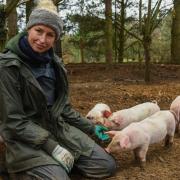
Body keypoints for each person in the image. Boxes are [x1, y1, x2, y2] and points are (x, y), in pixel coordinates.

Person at [0, 0, 117, 179]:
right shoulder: (7, 66)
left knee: (106, 166)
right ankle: (20, 168)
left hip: (57, 127)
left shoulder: (55, 64)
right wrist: (51, 146)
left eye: (50, 34)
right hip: (22, 134)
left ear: (56, 39)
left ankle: (54, 166)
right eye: (38, 31)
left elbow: (63, 107)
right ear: (29, 28)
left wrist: (91, 128)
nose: (42, 40)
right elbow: (14, 120)